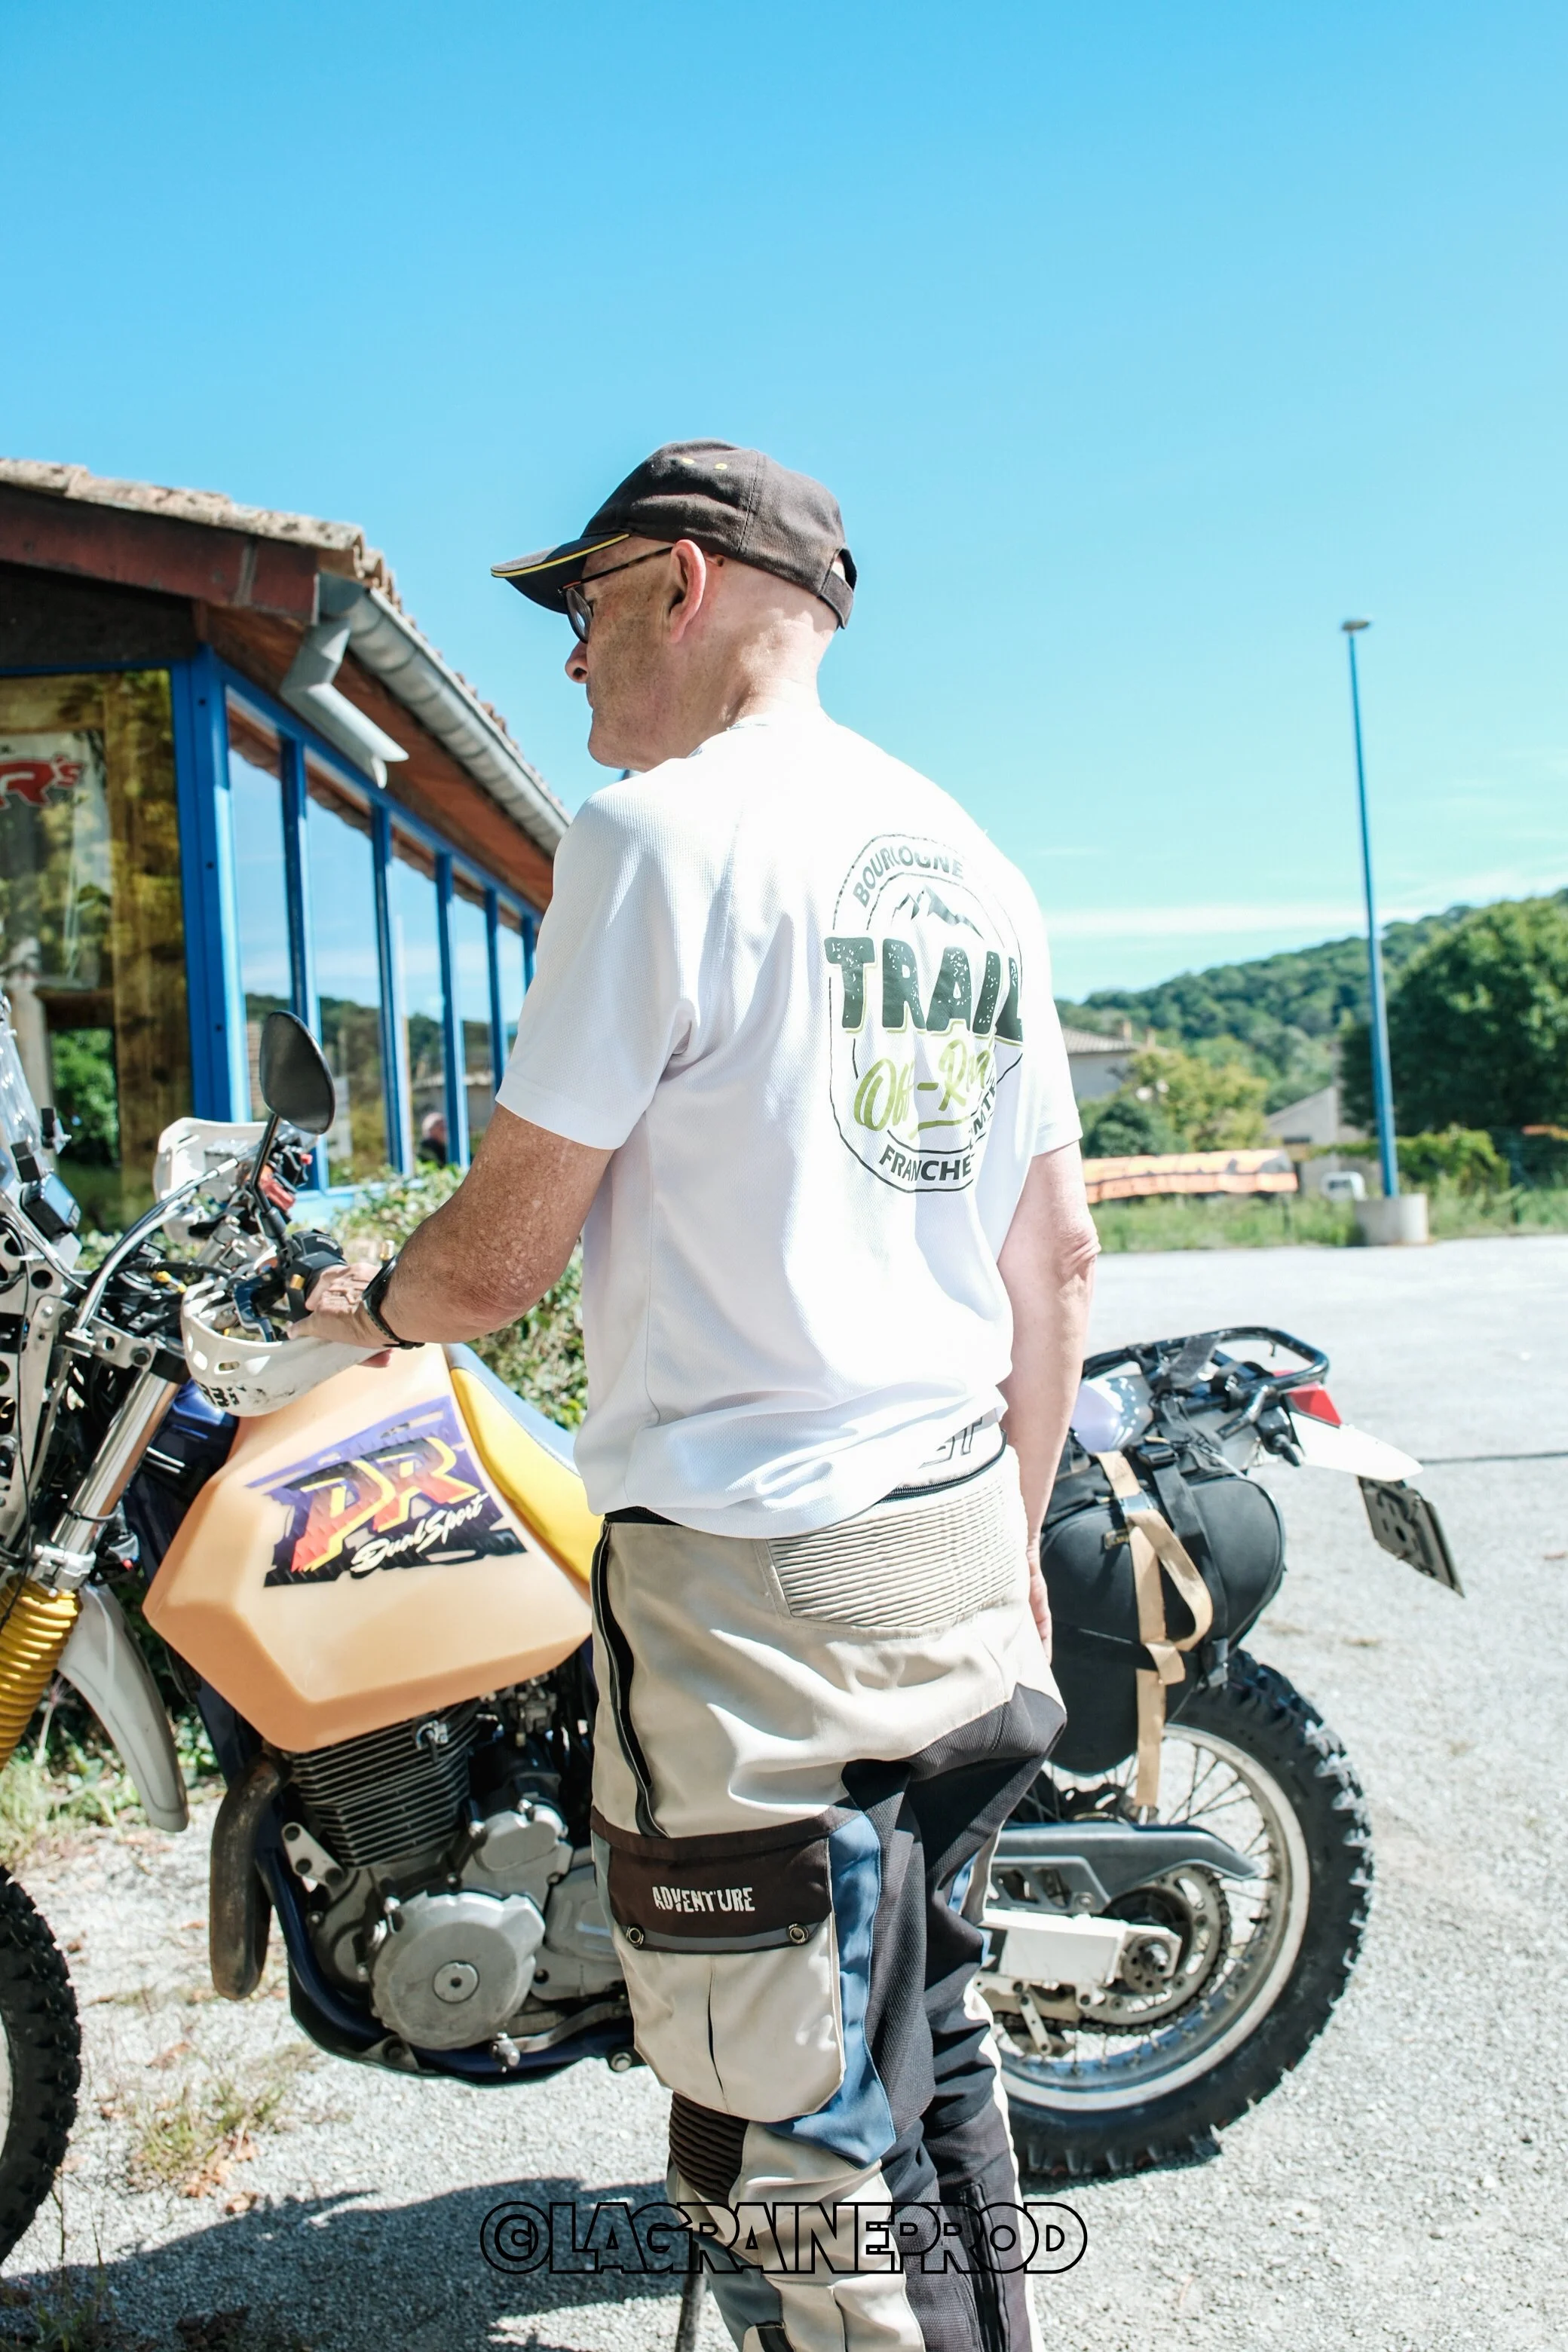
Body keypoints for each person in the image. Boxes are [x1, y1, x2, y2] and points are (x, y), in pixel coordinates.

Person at [299, 440, 1099, 2352]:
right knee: (933, 2054)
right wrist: (1001, 1542)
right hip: (948, 1557)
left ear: (676, 584)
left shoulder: (652, 837)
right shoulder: (971, 867)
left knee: (786, 2144)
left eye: (579, 612)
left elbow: (495, 1266)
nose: (569, 667)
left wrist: (361, 1304)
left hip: (749, 1589)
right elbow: (1053, 1263)